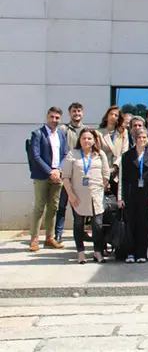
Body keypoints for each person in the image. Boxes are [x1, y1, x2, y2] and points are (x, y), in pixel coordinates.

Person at [60, 127, 108, 264]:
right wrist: (71, 195)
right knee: (79, 224)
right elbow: (65, 177)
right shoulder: (72, 154)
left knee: (97, 225)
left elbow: (106, 174)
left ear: (94, 140)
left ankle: (97, 251)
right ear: (79, 140)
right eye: (84, 138)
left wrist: (101, 187)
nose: (86, 141)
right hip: (78, 196)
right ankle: (80, 252)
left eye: (89, 138)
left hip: (96, 195)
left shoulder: (100, 154)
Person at [28, 107, 69, 252]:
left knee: (53, 207)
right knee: (39, 207)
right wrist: (50, 171)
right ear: (47, 117)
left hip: (57, 176)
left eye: (57, 117)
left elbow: (65, 154)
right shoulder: (37, 134)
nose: (54, 120)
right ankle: (34, 239)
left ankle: (49, 238)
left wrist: (58, 170)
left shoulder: (61, 135)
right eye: (52, 117)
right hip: (42, 175)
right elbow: (35, 156)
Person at [118, 127, 148, 263]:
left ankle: (141, 253)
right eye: (139, 137)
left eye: (144, 137)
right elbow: (122, 178)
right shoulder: (126, 156)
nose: (141, 140)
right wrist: (121, 198)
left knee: (143, 224)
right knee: (130, 224)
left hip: (145, 195)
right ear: (135, 139)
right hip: (130, 193)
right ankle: (130, 253)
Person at [56, 102, 86, 244]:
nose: (77, 114)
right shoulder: (63, 129)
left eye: (79, 111)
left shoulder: (86, 130)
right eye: (74, 111)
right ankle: (58, 234)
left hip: (80, 173)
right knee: (61, 205)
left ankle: (80, 233)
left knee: (79, 206)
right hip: (65, 172)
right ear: (70, 113)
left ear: (82, 113)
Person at [98, 105, 130, 187]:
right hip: (103, 171)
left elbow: (124, 152)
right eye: (111, 114)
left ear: (118, 119)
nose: (113, 116)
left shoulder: (123, 132)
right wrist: (106, 169)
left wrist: (115, 166)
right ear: (107, 116)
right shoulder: (99, 132)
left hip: (118, 171)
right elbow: (98, 152)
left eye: (116, 115)